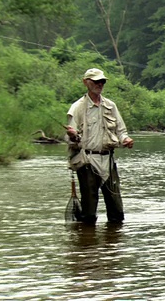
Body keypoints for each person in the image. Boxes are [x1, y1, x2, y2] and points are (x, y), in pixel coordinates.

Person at [65, 68, 134, 224]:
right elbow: (71, 139)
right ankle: (88, 245)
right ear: (86, 82)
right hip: (87, 161)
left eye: (102, 81)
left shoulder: (111, 105)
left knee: (117, 211)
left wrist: (126, 139)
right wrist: (73, 135)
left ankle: (113, 245)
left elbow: (121, 131)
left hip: (108, 161)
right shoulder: (77, 107)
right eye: (96, 81)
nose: (100, 84)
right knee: (89, 214)